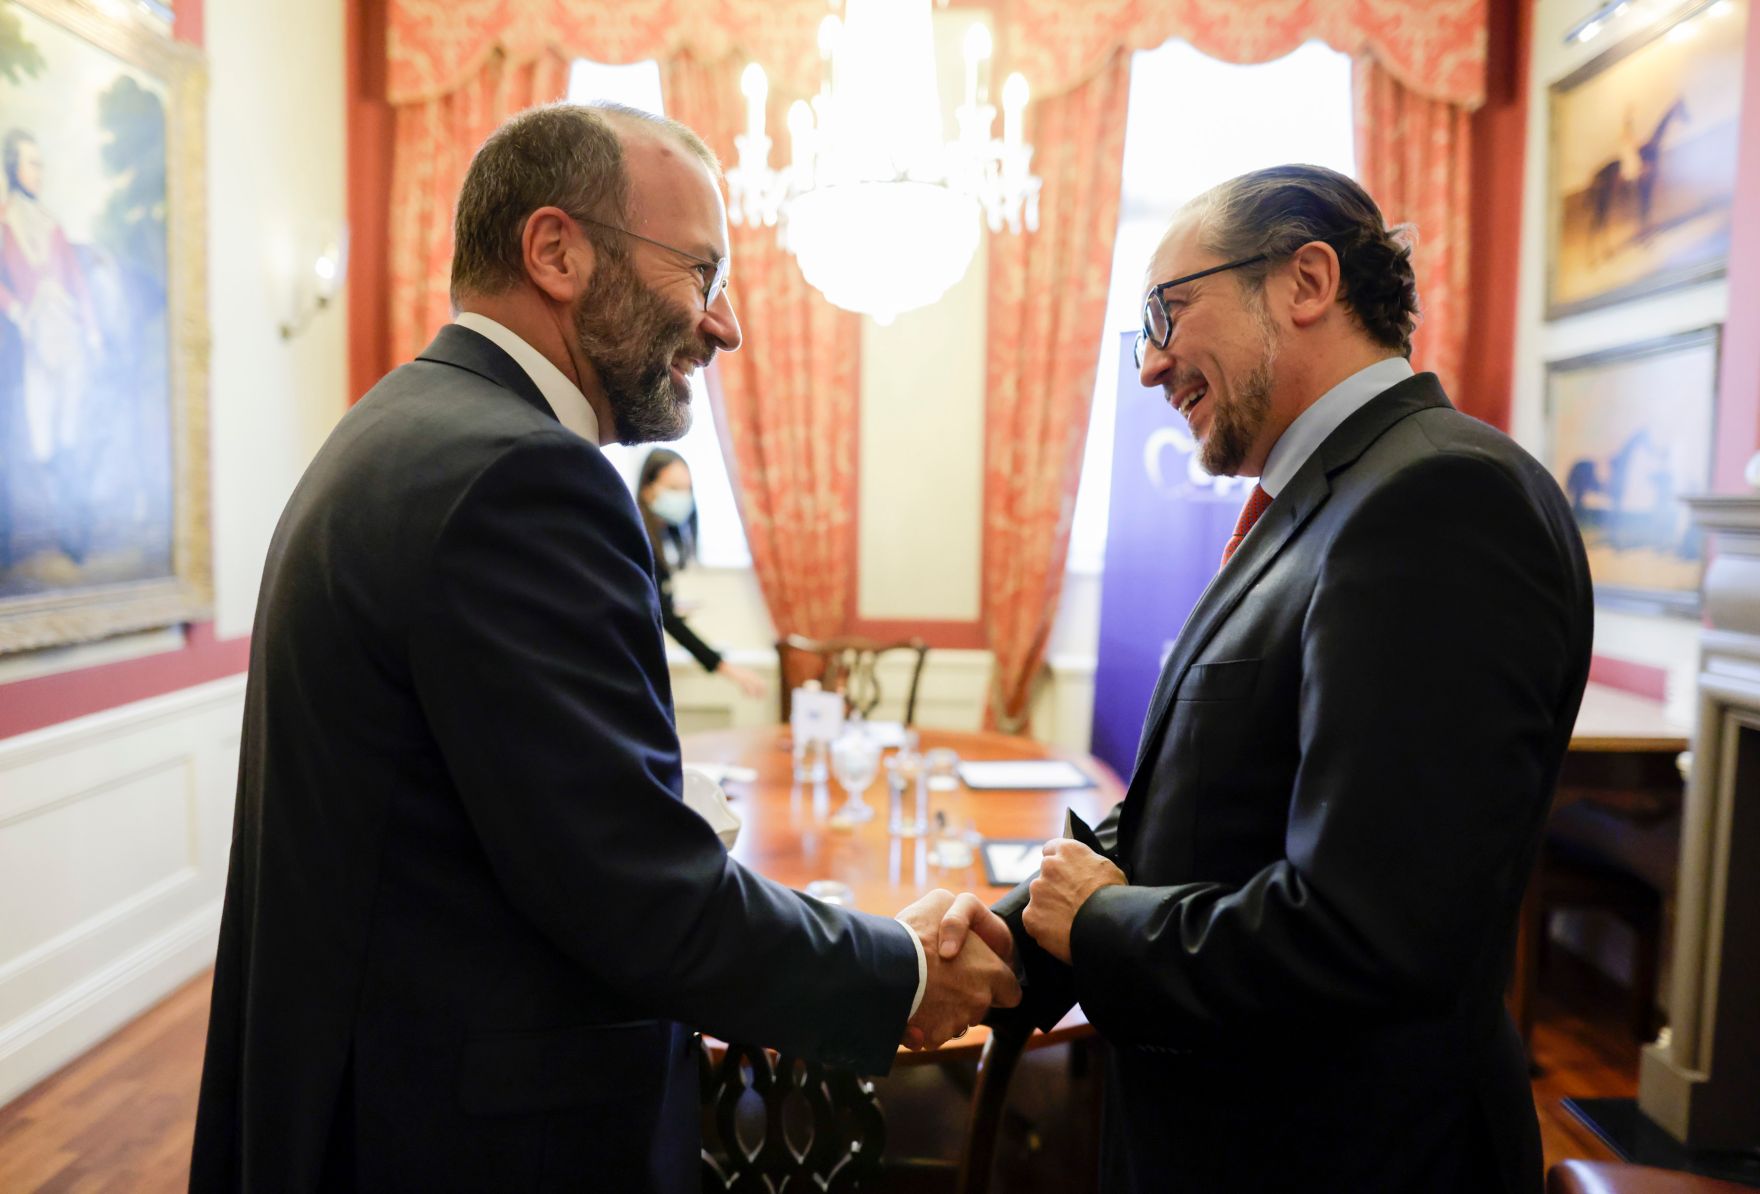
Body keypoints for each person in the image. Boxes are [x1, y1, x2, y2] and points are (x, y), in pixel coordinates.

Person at [188, 102, 1019, 1193]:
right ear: (555, 251)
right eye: (701, 274)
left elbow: (519, 825)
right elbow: (640, 899)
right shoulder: (526, 480)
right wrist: (900, 968)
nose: (721, 328)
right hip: (473, 1139)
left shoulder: (396, 424)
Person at [941, 165, 1592, 1193]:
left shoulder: (1437, 500)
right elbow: (1191, 812)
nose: (1149, 365)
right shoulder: (1314, 505)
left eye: (1167, 311)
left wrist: (1101, 926)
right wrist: (996, 941)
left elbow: (1367, 932)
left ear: (1304, 281)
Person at [635, 446, 765, 698]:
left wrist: (669, 605)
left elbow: (656, 604)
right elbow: (664, 617)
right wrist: (726, 668)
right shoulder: (641, 538)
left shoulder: (661, 539)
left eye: (687, 489)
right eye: (673, 488)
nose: (683, 497)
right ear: (648, 489)